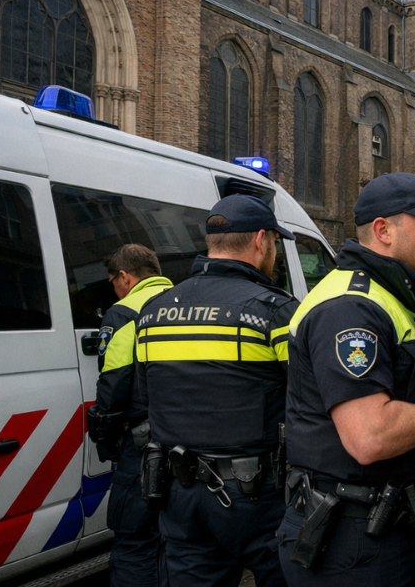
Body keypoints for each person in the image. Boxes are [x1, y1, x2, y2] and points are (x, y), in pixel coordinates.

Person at [277, 173, 415, 586]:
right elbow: (370, 436)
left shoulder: (389, 296)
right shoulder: (350, 308)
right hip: (350, 542)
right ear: (383, 230)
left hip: (388, 529)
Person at [134, 195, 300, 587]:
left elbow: (146, 398)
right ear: (262, 240)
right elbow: (306, 400)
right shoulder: (274, 312)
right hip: (257, 496)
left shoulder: (153, 313)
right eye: (275, 242)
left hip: (179, 492)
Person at [86, 244, 173, 587]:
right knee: (173, 542)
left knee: (134, 540)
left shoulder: (124, 312)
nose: (114, 289)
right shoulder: (184, 302)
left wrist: (104, 437)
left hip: (141, 446)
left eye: (112, 282)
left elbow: (114, 381)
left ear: (125, 276)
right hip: (188, 441)